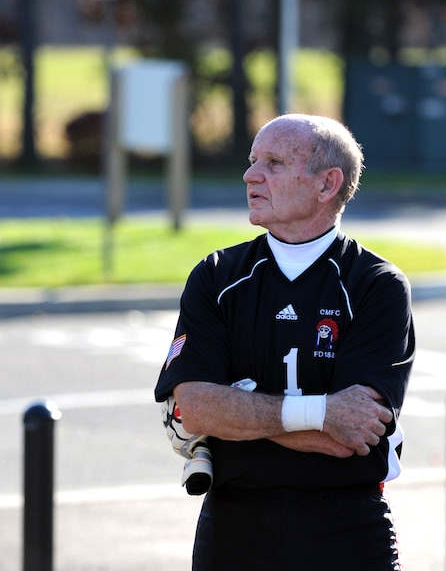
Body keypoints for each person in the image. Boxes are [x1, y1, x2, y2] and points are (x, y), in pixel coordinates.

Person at [154, 114, 415, 571]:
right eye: (253, 161)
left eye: (273, 163)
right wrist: (321, 413)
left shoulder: (377, 285)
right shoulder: (216, 275)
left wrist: (238, 410)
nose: (251, 175)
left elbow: (352, 435)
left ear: (326, 183)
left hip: (347, 528)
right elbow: (194, 408)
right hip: (233, 526)